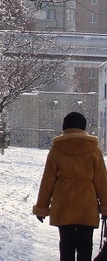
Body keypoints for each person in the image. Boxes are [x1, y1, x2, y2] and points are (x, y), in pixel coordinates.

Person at [33, 111, 107, 261]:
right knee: (85, 246)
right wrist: (105, 207)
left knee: (66, 245)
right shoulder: (94, 150)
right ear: (84, 127)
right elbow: (102, 181)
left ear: (65, 126)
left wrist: (42, 207)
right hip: (87, 207)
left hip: (64, 206)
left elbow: (47, 181)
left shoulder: (56, 149)